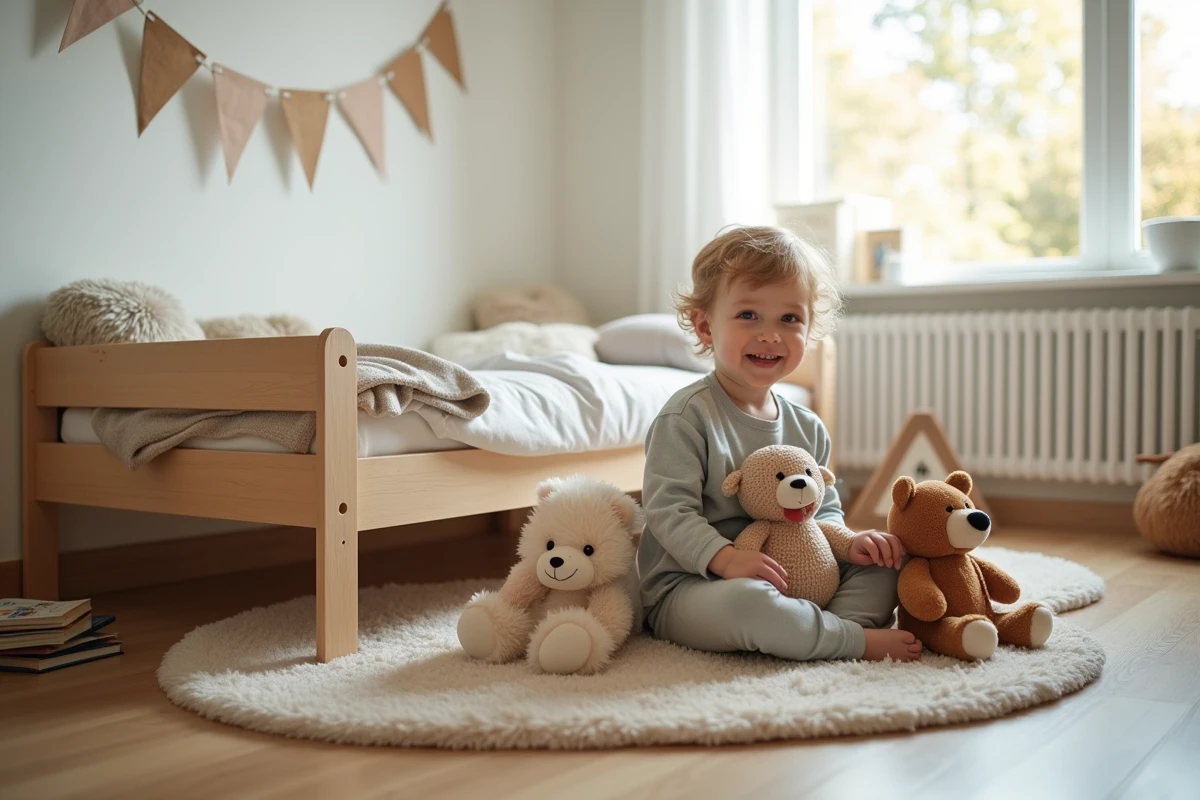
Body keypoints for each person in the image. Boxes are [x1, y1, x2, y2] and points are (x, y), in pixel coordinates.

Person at [638, 225, 923, 662]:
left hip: (797, 576)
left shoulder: (808, 426)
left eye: (789, 319)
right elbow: (668, 512)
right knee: (751, 604)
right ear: (705, 325)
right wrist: (727, 559)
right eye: (748, 315)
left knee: (890, 564)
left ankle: (816, 631)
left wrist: (853, 543)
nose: (770, 334)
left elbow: (823, 511)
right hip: (695, 588)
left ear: (809, 330)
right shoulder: (687, 417)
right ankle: (849, 639)